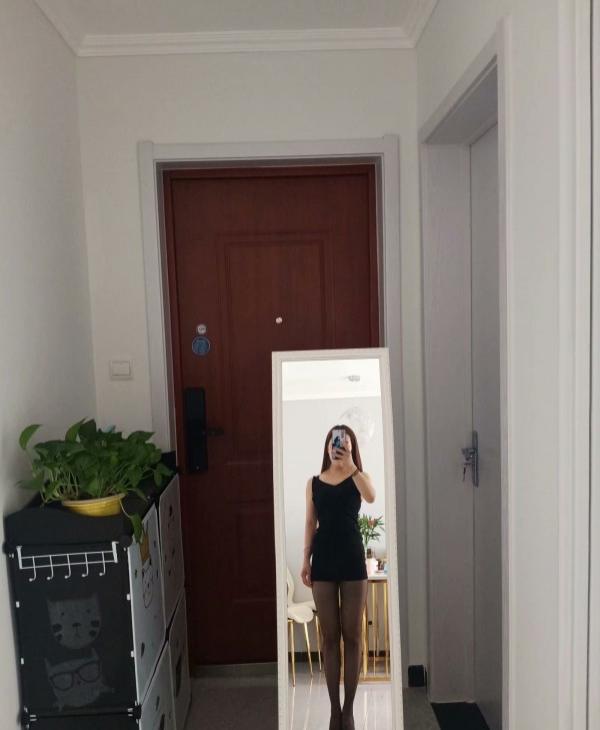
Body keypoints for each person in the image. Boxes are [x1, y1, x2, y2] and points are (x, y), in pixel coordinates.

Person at [301, 424, 376, 730]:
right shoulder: (314, 483)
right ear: (326, 446)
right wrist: (305, 560)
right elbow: (310, 522)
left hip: (353, 561)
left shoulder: (360, 477)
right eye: (333, 441)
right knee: (330, 638)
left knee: (353, 636)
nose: (338, 446)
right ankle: (334, 712)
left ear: (351, 446)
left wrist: (353, 467)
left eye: (343, 441)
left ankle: (349, 711)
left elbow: (371, 497)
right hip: (323, 562)